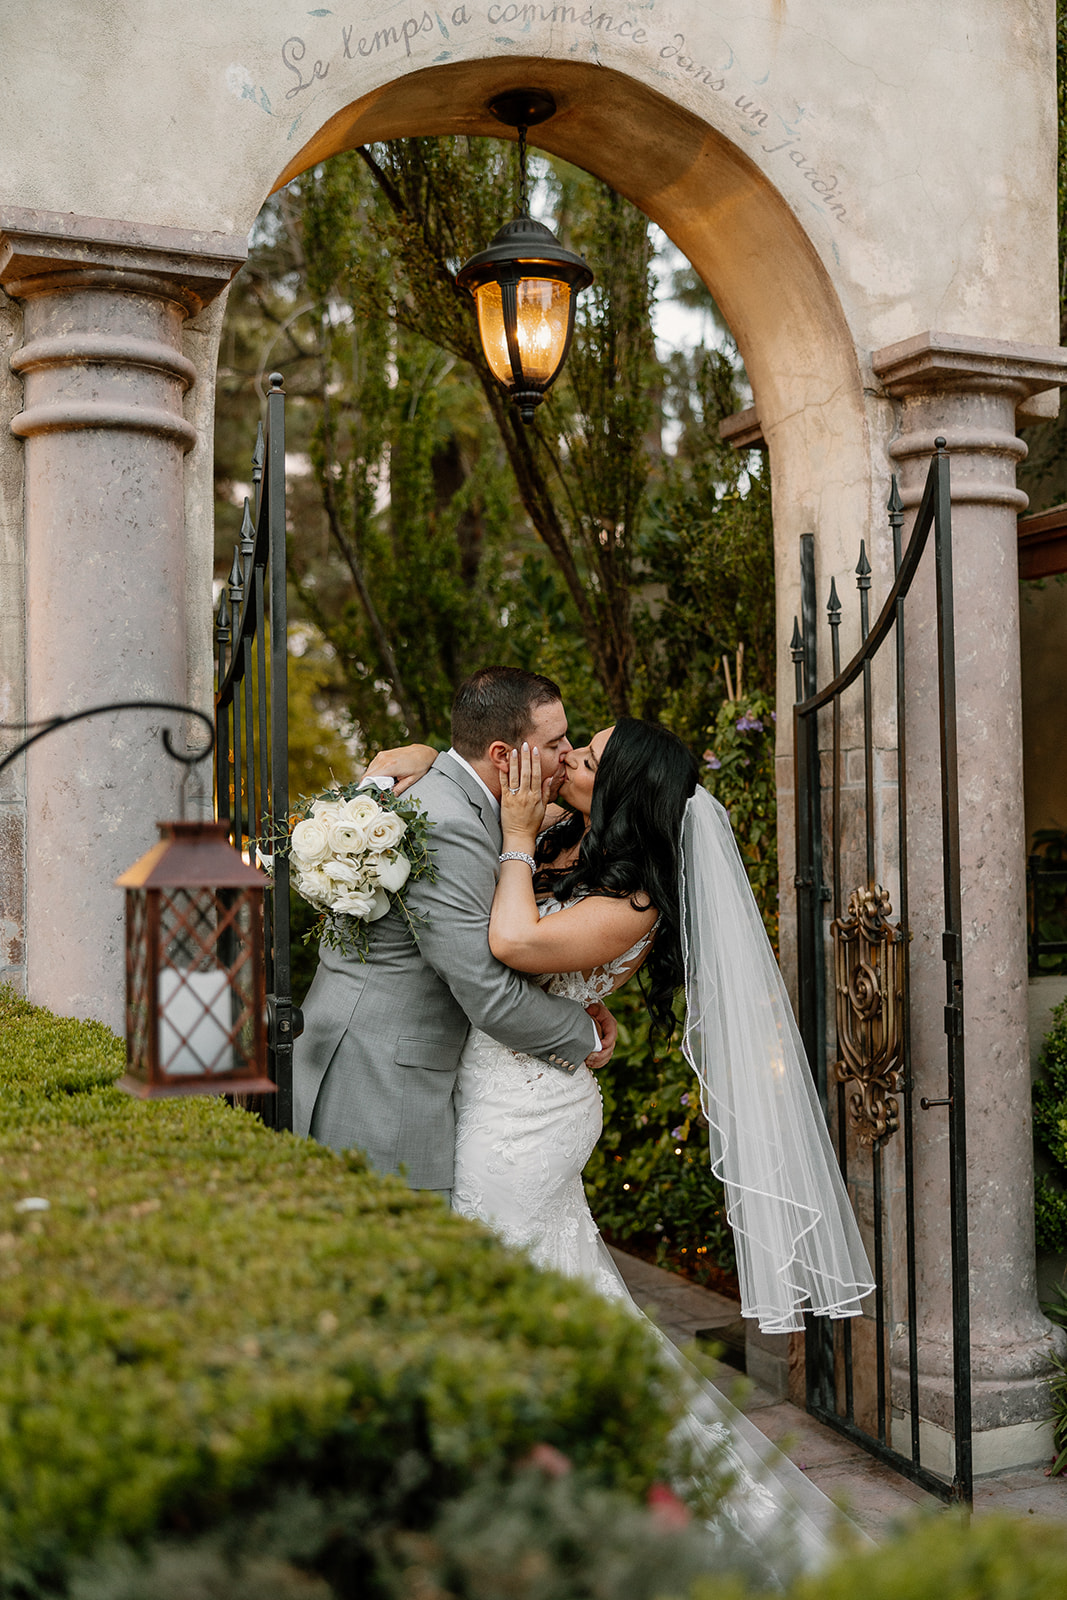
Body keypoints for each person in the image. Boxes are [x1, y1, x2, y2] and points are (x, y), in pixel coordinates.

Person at [373, 716, 875, 1573]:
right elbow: (447, 771)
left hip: (530, 1117)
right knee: (554, 1289)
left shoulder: (633, 898)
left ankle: (573, 1495)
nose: (565, 759)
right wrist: (421, 758)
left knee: (503, 1282)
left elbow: (514, 941)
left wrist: (515, 840)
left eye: (587, 757)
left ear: (625, 788)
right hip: (500, 1093)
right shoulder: (581, 849)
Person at [291, 667, 617, 1196]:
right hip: (378, 1078)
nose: (568, 752)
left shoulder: (467, 798)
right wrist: (584, 1033)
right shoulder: (452, 824)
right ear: (504, 756)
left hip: (381, 1058)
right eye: (555, 743)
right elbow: (487, 991)